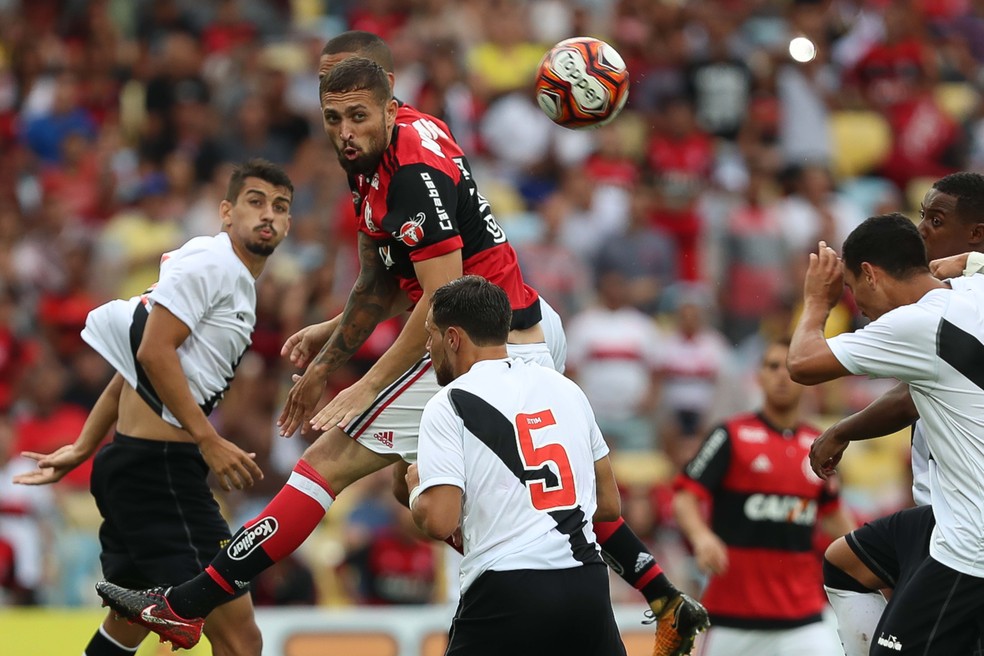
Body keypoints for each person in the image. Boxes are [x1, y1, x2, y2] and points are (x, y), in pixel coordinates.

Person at [97, 51, 708, 656]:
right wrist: (330, 345)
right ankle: (660, 594)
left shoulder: (412, 174)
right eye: (332, 118)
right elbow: (383, 282)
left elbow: (440, 295)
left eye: (356, 116)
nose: (344, 131)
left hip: (484, 339)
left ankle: (186, 606)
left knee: (324, 464)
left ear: (388, 102)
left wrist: (364, 385)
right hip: (520, 321)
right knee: (415, 484)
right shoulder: (379, 152)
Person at [14, 159, 293, 655]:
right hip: (161, 474)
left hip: (135, 464)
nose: (268, 214)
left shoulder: (229, 277)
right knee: (240, 638)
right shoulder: (214, 263)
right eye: (255, 201)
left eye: (280, 206)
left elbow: (133, 361)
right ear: (226, 212)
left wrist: (83, 446)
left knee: (128, 625)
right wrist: (207, 438)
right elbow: (152, 352)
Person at [789, 213, 984, 654]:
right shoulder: (973, 292)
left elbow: (801, 364)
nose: (857, 305)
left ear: (871, 274)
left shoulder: (914, 325)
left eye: (852, 289)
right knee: (845, 563)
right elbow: (912, 396)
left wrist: (817, 302)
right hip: (948, 513)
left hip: (972, 540)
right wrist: (967, 262)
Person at [407, 275, 626, 655]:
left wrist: (416, 491)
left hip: (507, 588)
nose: (428, 347)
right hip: (585, 584)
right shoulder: (566, 389)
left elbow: (440, 520)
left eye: (431, 335)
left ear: (453, 338)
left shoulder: (448, 403)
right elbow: (608, 505)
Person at [671, 338, 854, 656]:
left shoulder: (819, 445)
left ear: (806, 380)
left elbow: (834, 516)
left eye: (789, 368)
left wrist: (869, 559)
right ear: (758, 376)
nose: (781, 376)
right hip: (732, 618)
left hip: (804, 618)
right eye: (772, 367)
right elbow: (684, 496)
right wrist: (702, 537)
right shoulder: (729, 435)